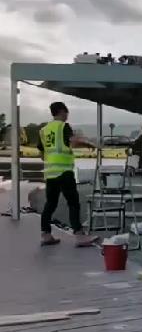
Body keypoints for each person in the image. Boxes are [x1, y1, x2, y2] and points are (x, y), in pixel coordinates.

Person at [37, 102, 98, 248]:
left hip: (50, 173)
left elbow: (41, 153)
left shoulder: (43, 130)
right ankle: (79, 236)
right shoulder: (63, 127)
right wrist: (90, 145)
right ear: (61, 111)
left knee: (50, 204)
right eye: (66, 112)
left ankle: (46, 234)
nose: (67, 115)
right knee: (73, 203)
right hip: (64, 171)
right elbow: (74, 141)